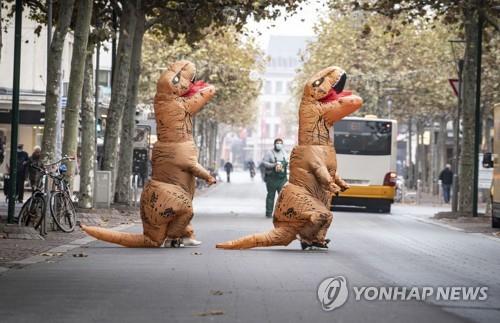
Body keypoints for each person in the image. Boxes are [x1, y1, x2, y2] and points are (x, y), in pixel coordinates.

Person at [262, 138, 288, 218]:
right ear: (274, 144)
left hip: (282, 179)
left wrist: (284, 165)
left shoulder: (284, 152)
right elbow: (264, 163)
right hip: (272, 178)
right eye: (277, 143)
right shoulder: (269, 153)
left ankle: (282, 213)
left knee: (283, 196)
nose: (279, 144)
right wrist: (274, 165)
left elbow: (287, 162)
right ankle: (269, 212)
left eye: (280, 143)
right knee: (271, 196)